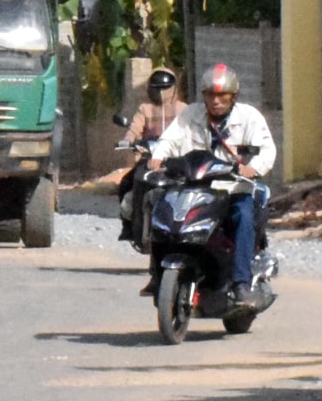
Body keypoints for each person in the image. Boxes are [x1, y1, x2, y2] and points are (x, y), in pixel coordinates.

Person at [148, 63, 279, 289]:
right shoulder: (191, 114)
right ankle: (158, 273)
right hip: (194, 185)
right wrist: (158, 157)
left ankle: (241, 282)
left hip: (232, 187)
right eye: (210, 95)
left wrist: (252, 168)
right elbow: (170, 138)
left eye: (222, 95)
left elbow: (267, 150)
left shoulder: (249, 117)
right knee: (161, 209)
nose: (216, 101)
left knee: (243, 216)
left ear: (233, 96)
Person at [114, 67, 180, 243]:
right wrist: (128, 140)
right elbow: (135, 128)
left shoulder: (184, 110)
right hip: (149, 158)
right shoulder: (145, 109)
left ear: (174, 89)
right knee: (126, 183)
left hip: (176, 159)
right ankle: (127, 225)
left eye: (166, 88)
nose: (161, 93)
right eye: (157, 88)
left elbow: (193, 130)